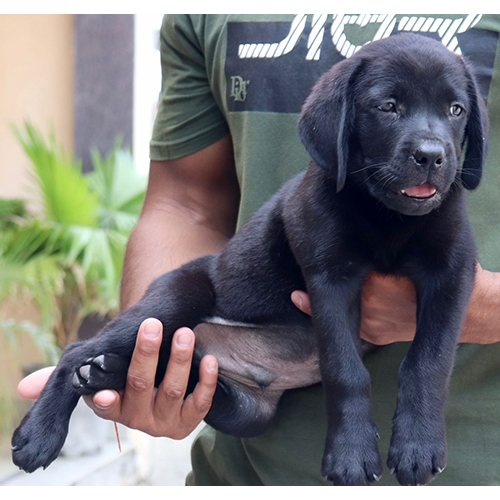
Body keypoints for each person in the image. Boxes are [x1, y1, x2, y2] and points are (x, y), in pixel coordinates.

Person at [19, 14, 500, 485]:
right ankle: (75, 375)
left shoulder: (445, 209)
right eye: (390, 107)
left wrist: (481, 313)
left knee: (248, 410)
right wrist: (150, 358)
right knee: (213, 376)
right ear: (343, 124)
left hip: (478, 468)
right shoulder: (326, 195)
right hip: (231, 345)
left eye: (453, 110)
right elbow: (184, 204)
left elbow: (452, 274)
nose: (432, 146)